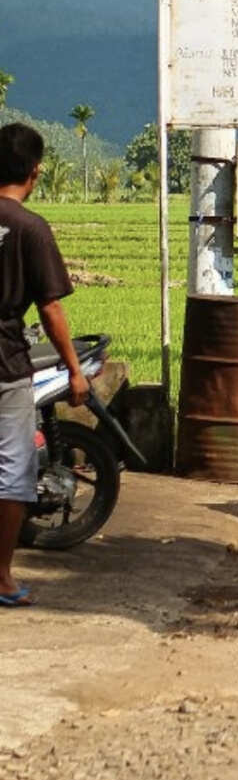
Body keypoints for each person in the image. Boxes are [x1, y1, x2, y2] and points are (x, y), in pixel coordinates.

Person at [0, 123, 88, 608]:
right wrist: (74, 369)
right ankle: (2, 578)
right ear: (34, 172)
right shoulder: (30, 228)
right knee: (11, 472)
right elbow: (50, 309)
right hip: (7, 366)